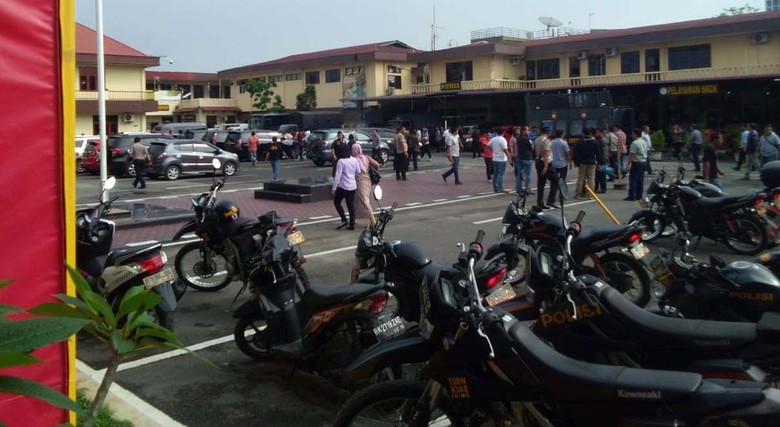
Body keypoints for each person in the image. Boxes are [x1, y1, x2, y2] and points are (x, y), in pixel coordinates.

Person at [352, 144, 381, 227]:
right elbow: (377, 164)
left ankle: (372, 219)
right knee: (358, 199)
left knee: (362, 200)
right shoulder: (366, 158)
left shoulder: (354, 160)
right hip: (367, 180)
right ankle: (354, 218)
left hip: (358, 181)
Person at [332, 149, 361, 231]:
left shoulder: (341, 161)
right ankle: (352, 224)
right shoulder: (354, 160)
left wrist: (334, 188)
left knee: (337, 202)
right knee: (350, 206)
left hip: (343, 186)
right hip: (352, 186)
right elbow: (358, 171)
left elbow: (338, 175)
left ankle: (344, 219)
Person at [534, 127, 559, 209]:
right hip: (545, 162)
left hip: (538, 161)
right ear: (548, 132)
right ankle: (550, 201)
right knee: (556, 180)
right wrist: (546, 166)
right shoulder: (546, 140)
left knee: (541, 182)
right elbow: (545, 153)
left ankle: (540, 201)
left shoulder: (537, 139)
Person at [573, 128, 600, 199]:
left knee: (581, 178)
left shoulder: (580, 142)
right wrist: (599, 162)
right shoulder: (594, 142)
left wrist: (576, 162)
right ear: (590, 133)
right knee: (591, 178)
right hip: (592, 162)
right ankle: (590, 195)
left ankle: (578, 194)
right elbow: (598, 153)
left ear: (583, 133)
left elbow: (576, 153)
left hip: (582, 162)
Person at [625, 128, 648, 201]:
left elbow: (632, 154)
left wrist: (628, 164)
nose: (632, 135)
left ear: (635, 134)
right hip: (643, 161)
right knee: (640, 180)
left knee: (633, 180)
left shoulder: (634, 143)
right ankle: (639, 195)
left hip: (637, 162)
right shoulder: (644, 142)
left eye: (632, 133)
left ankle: (632, 195)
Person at [514, 126, 534, 194]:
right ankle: (527, 189)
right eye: (527, 130)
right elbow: (532, 148)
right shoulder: (527, 139)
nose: (528, 132)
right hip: (527, 157)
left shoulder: (518, 139)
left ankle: (518, 189)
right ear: (523, 131)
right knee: (528, 174)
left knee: (519, 174)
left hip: (520, 157)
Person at [594, 128, 610, 193]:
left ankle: (601, 188)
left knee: (601, 175)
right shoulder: (601, 140)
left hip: (601, 160)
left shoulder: (601, 141)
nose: (596, 134)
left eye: (598, 132)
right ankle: (598, 188)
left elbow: (603, 152)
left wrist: (602, 161)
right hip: (601, 160)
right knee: (599, 175)